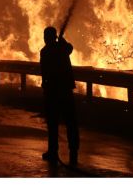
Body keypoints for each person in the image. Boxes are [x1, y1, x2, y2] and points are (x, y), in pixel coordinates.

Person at [40, 26, 80, 165]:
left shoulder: (46, 51)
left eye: (46, 36)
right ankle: (73, 150)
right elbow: (69, 48)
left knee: (53, 124)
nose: (44, 38)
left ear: (48, 37)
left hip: (53, 92)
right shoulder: (60, 48)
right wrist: (62, 41)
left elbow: (44, 73)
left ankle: (53, 151)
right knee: (70, 122)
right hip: (63, 91)